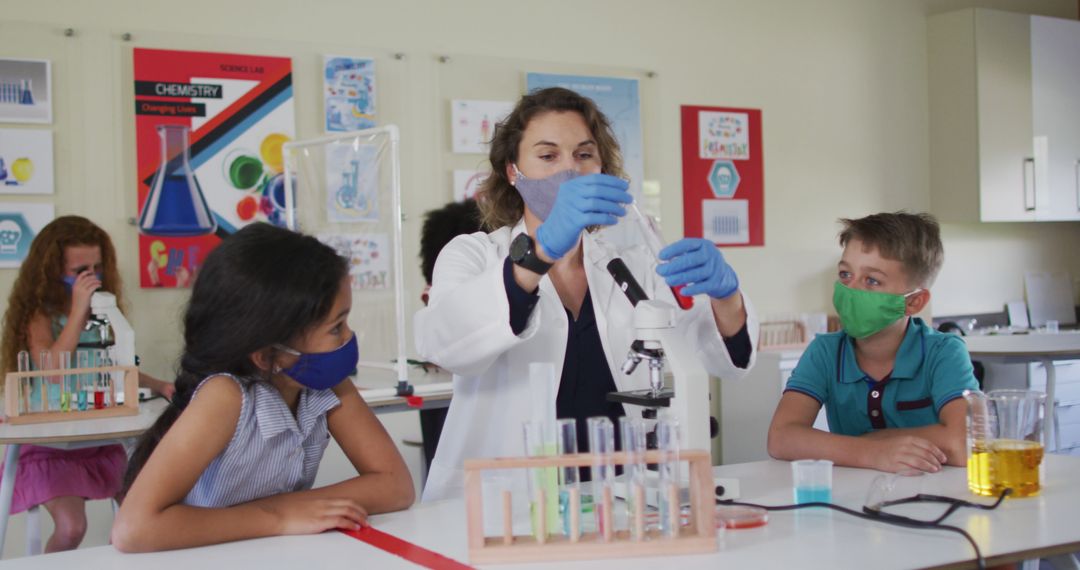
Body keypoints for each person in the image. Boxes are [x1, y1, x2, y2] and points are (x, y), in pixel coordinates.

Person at [415, 87, 758, 501]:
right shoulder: (473, 255)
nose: (569, 171)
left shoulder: (633, 266)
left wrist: (726, 297)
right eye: (547, 156)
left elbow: (719, 358)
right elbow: (447, 344)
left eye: (583, 155)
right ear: (512, 172)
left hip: (622, 496)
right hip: (506, 502)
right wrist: (540, 253)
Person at [112, 223, 414, 552]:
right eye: (336, 327)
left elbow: (396, 485)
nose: (349, 337)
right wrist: (279, 516)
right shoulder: (225, 397)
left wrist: (292, 508)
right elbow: (133, 530)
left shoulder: (325, 385)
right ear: (268, 355)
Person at [0, 215, 174, 552]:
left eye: (96, 268)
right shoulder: (40, 314)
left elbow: (117, 365)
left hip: (96, 440)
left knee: (143, 511)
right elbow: (52, 370)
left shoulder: (102, 314)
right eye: (79, 271)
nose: (91, 278)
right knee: (71, 527)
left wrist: (159, 385)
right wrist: (78, 309)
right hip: (51, 444)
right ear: (52, 271)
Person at [767, 212, 978, 473]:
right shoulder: (826, 351)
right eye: (845, 274)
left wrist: (875, 439)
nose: (851, 289)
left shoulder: (944, 352)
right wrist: (871, 452)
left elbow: (965, 443)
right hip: (853, 501)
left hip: (936, 498)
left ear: (913, 302)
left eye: (872, 280)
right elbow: (781, 438)